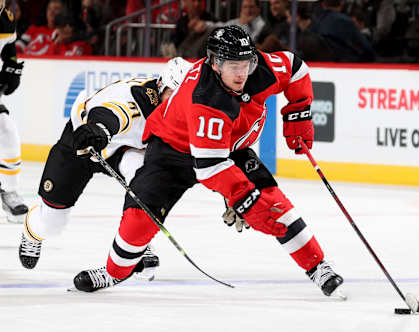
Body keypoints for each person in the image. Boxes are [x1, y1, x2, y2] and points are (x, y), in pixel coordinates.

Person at [73, 25, 344, 297]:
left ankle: (318, 266)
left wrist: (299, 111)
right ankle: (113, 272)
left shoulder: (260, 68)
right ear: (215, 63)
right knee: (139, 220)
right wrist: (244, 199)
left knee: (274, 201)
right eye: (232, 66)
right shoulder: (205, 100)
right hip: (172, 151)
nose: (241, 74)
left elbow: (296, 68)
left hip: (228, 148)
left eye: (246, 64)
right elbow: (209, 168)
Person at [18, 57, 194, 281]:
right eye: (173, 96)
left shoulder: (183, 112)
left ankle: (136, 239)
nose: (177, 105)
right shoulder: (137, 99)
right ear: (160, 86)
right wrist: (99, 130)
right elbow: (113, 113)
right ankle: (32, 231)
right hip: (83, 143)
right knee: (52, 223)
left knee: (145, 172)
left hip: (122, 150)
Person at [0, 1, 28, 223]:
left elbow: (8, 47)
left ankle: (10, 191)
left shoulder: (6, 19)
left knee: (7, 130)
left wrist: (11, 69)